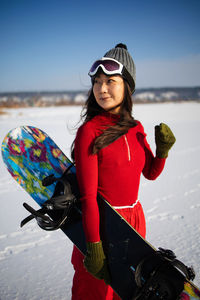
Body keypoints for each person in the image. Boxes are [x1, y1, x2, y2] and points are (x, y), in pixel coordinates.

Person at [70, 43, 176, 300]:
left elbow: (150, 172)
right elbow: (87, 197)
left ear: (127, 85)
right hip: (103, 225)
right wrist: (93, 246)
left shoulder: (136, 127)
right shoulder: (90, 131)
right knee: (95, 292)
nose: (101, 88)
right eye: (97, 81)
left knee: (129, 291)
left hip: (135, 223)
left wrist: (162, 151)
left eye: (110, 81)